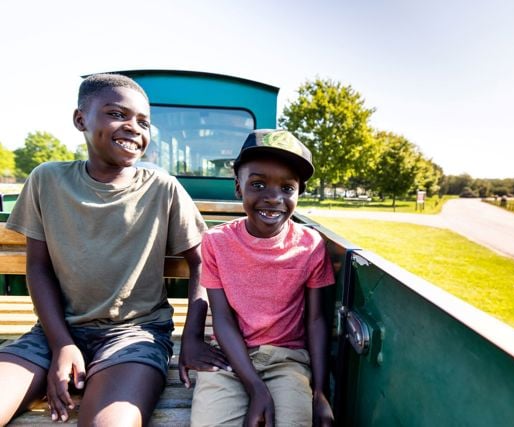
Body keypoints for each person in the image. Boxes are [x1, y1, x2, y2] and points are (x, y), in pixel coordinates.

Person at [0, 73, 223, 426]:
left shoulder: (162, 188)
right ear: (80, 120)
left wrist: (192, 336)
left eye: (144, 122)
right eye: (118, 114)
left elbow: (204, 262)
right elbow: (38, 268)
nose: (134, 127)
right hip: (53, 331)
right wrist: (61, 345)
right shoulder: (47, 180)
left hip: (134, 336)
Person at [190, 129, 335, 426]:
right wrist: (256, 388)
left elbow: (316, 320)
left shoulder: (310, 245)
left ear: (299, 193)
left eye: (287, 188)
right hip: (229, 358)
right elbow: (222, 318)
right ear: (238, 188)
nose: (273, 198)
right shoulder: (217, 242)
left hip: (288, 360)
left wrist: (320, 393)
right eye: (258, 184)